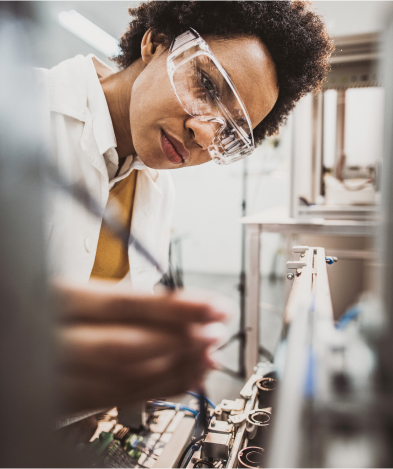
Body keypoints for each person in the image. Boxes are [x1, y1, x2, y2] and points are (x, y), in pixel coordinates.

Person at [41, 0, 333, 413]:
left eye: (229, 130)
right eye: (208, 87)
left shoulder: (158, 191)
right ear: (156, 43)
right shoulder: (21, 112)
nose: (202, 132)